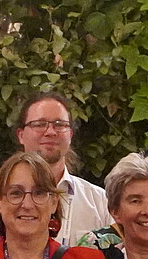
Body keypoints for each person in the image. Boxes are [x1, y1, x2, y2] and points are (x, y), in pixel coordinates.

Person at [11, 91, 109, 244]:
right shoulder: (5, 198)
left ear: (70, 134)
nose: (50, 132)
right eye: (40, 124)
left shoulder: (99, 202)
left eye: (59, 124)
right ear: (21, 135)